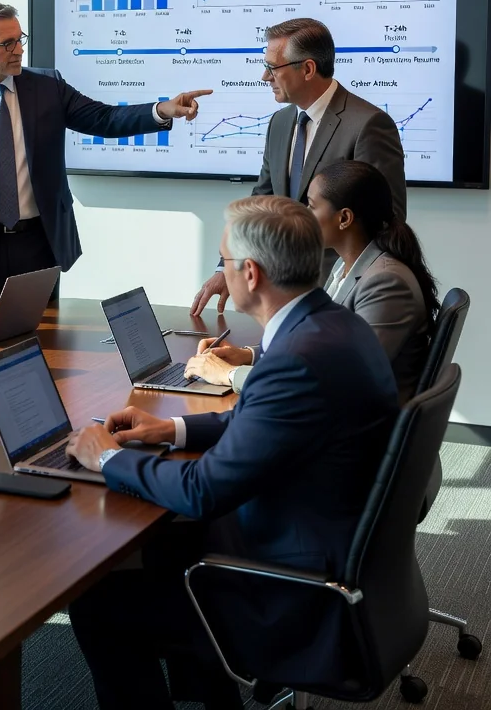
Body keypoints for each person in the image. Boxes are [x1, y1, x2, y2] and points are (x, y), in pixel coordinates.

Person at [65, 195, 399, 710]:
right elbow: (260, 423)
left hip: (291, 587)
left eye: (221, 262)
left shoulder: (297, 357)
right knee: (156, 551)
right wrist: (170, 430)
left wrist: (107, 457)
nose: (219, 271)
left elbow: (202, 492)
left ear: (250, 273)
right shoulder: (331, 325)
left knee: (97, 600)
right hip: (323, 542)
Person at [0, 0, 211, 303]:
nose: (19, 50)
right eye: (8, 44)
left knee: (43, 341)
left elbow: (104, 118)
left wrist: (162, 110)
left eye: (20, 40)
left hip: (40, 242)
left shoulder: (48, 87)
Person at [191, 17, 406, 315]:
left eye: (271, 67)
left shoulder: (368, 124)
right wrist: (227, 267)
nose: (265, 77)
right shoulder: (280, 123)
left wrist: (352, 291)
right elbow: (262, 200)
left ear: (307, 69)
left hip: (341, 298)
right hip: (282, 293)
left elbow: (387, 218)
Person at [188, 159, 437, 404]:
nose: (304, 215)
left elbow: (344, 376)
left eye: (311, 206)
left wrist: (230, 375)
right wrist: (247, 355)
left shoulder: (385, 282)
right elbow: (317, 349)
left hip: (358, 429)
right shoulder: (347, 265)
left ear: (344, 218)